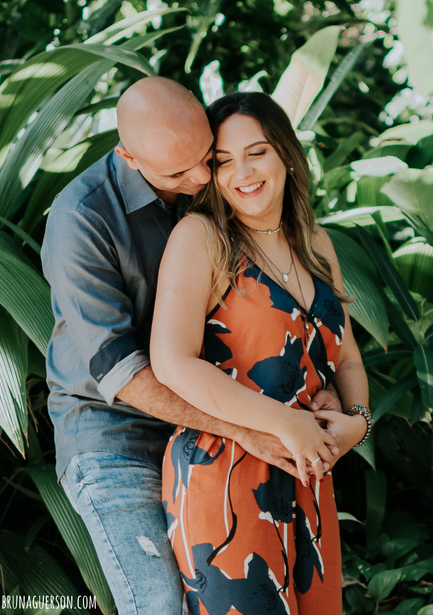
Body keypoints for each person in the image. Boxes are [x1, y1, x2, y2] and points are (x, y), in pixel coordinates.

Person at [42, 78, 341, 613]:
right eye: (180, 172)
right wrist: (251, 428)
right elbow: (122, 373)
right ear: (128, 156)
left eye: (208, 157)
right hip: (116, 438)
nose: (203, 177)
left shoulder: (212, 179)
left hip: (212, 427)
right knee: (159, 603)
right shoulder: (80, 220)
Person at [151, 91, 371, 615]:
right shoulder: (201, 237)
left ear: (286, 155)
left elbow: (349, 359)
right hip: (223, 477)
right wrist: (284, 422)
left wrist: (358, 423)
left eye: (257, 153)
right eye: (223, 162)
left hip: (309, 476)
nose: (241, 173)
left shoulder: (317, 243)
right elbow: (171, 361)